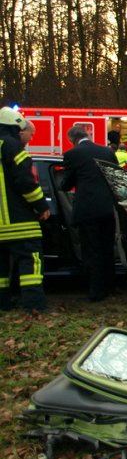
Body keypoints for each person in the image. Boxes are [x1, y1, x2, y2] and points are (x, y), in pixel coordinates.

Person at [60, 124, 119, 302]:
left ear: (72, 140)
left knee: (92, 250)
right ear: (88, 135)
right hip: (107, 208)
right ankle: (111, 287)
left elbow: (66, 185)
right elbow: (115, 178)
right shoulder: (108, 152)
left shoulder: (72, 155)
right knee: (107, 248)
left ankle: (96, 292)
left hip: (87, 210)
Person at [0, 107, 50, 313]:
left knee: (1, 270)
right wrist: (42, 206)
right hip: (19, 222)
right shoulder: (13, 147)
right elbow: (25, 183)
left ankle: (2, 304)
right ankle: (34, 306)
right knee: (31, 263)